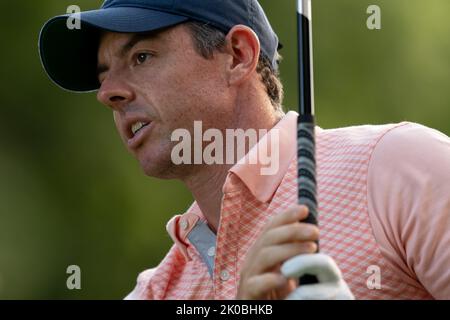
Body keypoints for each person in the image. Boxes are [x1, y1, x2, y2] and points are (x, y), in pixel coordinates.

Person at [39, 0, 450, 299]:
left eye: (142, 57)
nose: (108, 93)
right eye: (104, 75)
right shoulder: (156, 292)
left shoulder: (398, 167)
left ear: (238, 56)